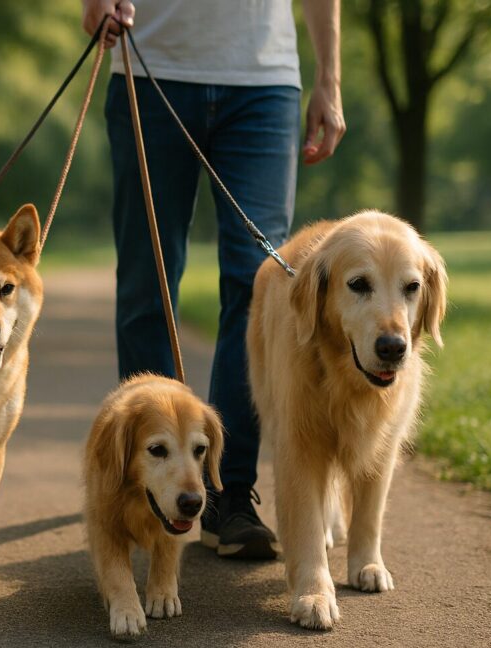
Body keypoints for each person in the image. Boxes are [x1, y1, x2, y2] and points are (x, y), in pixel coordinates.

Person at [82, 0, 345, 559]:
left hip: (263, 82)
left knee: (259, 287)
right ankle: (144, 486)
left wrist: (329, 77)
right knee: (146, 286)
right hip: (150, 65)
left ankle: (227, 494)